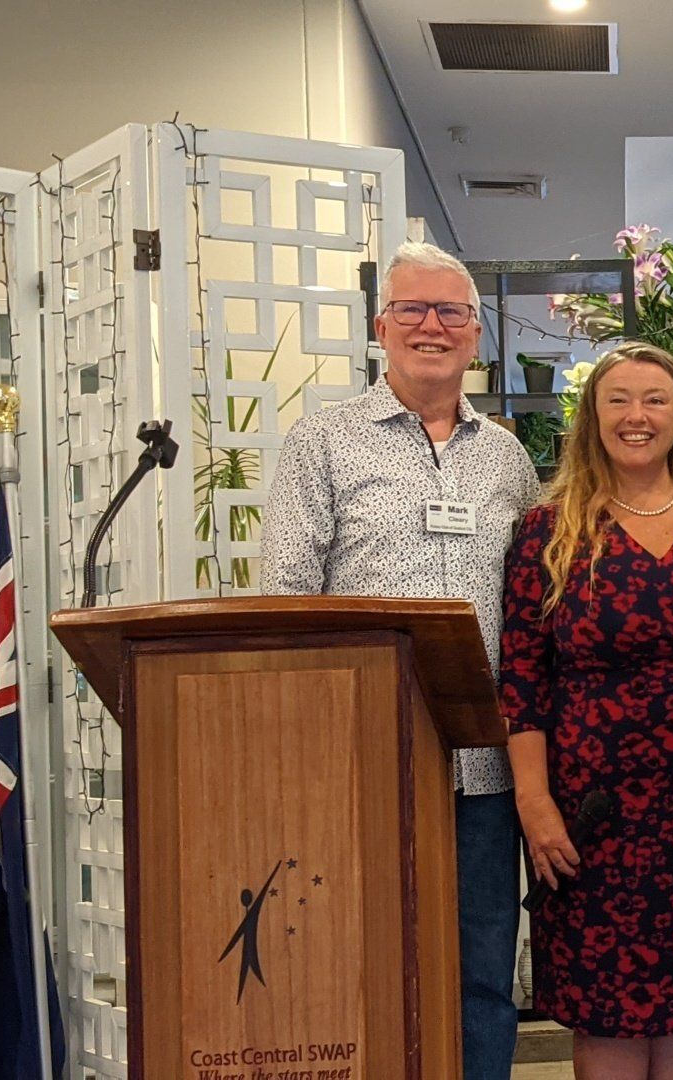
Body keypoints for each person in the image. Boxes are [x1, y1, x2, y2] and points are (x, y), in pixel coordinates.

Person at [260, 241, 539, 1080]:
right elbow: (286, 604)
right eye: (412, 309)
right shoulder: (323, 444)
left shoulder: (508, 457)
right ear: (381, 326)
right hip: (364, 764)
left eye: (451, 311)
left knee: (483, 977)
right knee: (360, 967)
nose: (431, 326)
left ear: (476, 334)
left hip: (485, 771)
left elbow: (533, 602)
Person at [499, 342, 673, 1080]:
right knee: (606, 1011)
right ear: (592, 417)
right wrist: (534, 801)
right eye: (617, 400)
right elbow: (522, 677)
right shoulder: (548, 532)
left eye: (653, 400)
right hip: (593, 814)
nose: (635, 416)